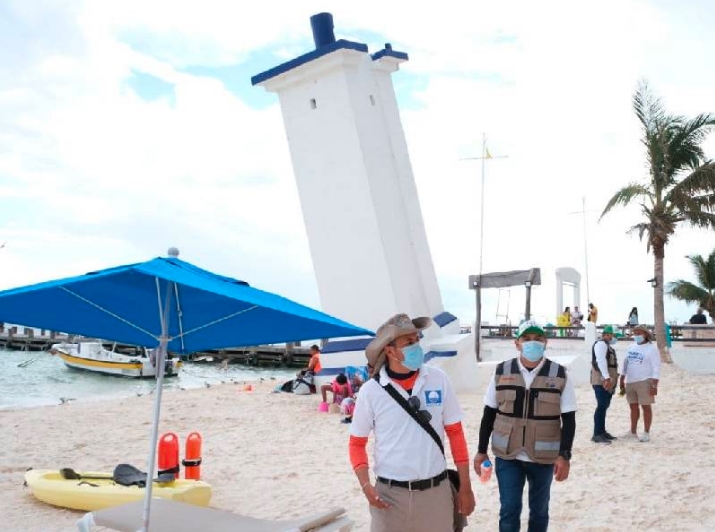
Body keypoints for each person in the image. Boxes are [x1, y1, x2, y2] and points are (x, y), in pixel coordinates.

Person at [349, 313, 475, 532]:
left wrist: (466, 486)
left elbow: (456, 434)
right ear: (389, 351)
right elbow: (356, 443)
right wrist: (366, 485)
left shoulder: (439, 379)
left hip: (436, 493)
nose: (416, 346)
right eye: (408, 342)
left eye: (417, 339)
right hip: (389, 496)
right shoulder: (371, 391)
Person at [474, 320, 576, 532]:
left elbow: (569, 419)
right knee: (509, 511)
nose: (532, 343)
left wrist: (564, 455)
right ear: (517, 343)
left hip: (543, 457)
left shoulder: (560, 374)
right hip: (507, 455)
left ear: (545, 342)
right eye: (526, 339)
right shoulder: (501, 371)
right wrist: (481, 451)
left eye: (538, 339)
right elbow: (489, 414)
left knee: (539, 511)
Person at [619, 325, 660, 442]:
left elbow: (656, 367)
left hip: (645, 381)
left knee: (646, 407)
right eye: (634, 333)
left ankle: (646, 432)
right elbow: (626, 363)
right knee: (633, 407)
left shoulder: (652, 349)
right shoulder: (630, 347)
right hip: (630, 381)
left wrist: (654, 385)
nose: (636, 335)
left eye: (639, 333)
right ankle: (632, 432)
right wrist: (622, 378)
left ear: (645, 334)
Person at [591, 325, 619, 444]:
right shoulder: (601, 344)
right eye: (614, 335)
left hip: (607, 380)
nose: (615, 338)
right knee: (601, 406)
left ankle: (602, 432)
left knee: (604, 406)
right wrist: (607, 378)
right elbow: (601, 361)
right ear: (608, 334)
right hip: (601, 381)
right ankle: (597, 434)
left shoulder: (607, 346)